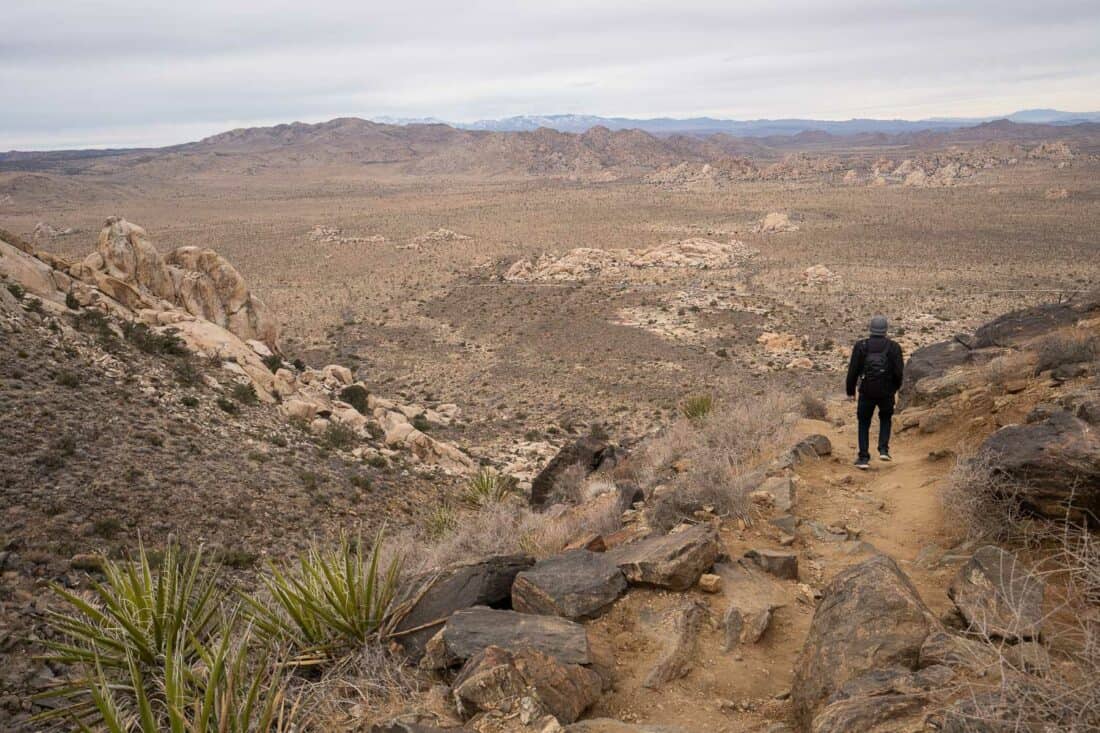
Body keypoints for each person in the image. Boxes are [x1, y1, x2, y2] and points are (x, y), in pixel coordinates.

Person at [845, 315, 904, 469]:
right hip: (886, 392)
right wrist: (895, 388)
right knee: (885, 418)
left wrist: (851, 391)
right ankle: (883, 449)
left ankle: (863, 457)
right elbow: (899, 372)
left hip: (866, 391)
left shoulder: (861, 346)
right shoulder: (894, 347)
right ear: (885, 329)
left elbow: (853, 371)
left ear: (870, 328)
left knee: (864, 423)